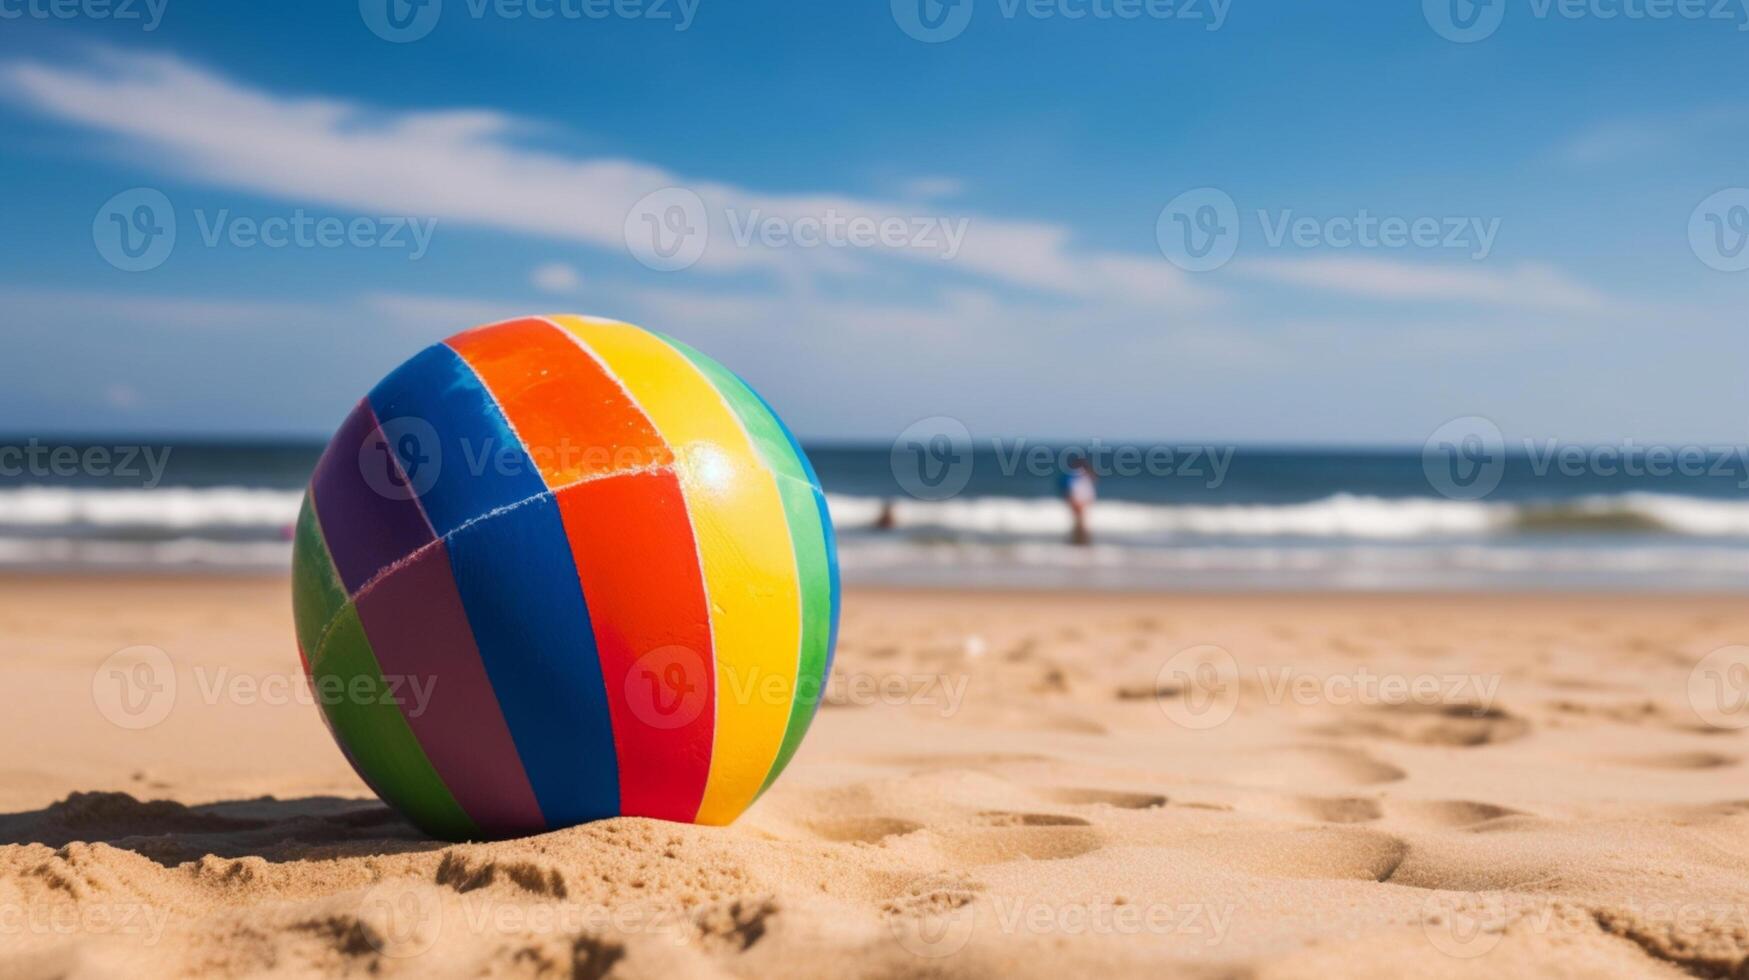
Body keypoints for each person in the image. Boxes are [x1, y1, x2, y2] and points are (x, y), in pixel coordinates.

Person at [1059, 453, 1097, 546]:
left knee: (1079, 522)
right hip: (1078, 500)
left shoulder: (1079, 474)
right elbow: (1074, 488)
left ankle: (1079, 541)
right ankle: (1080, 541)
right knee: (1080, 522)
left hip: (1078, 500)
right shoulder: (1078, 474)